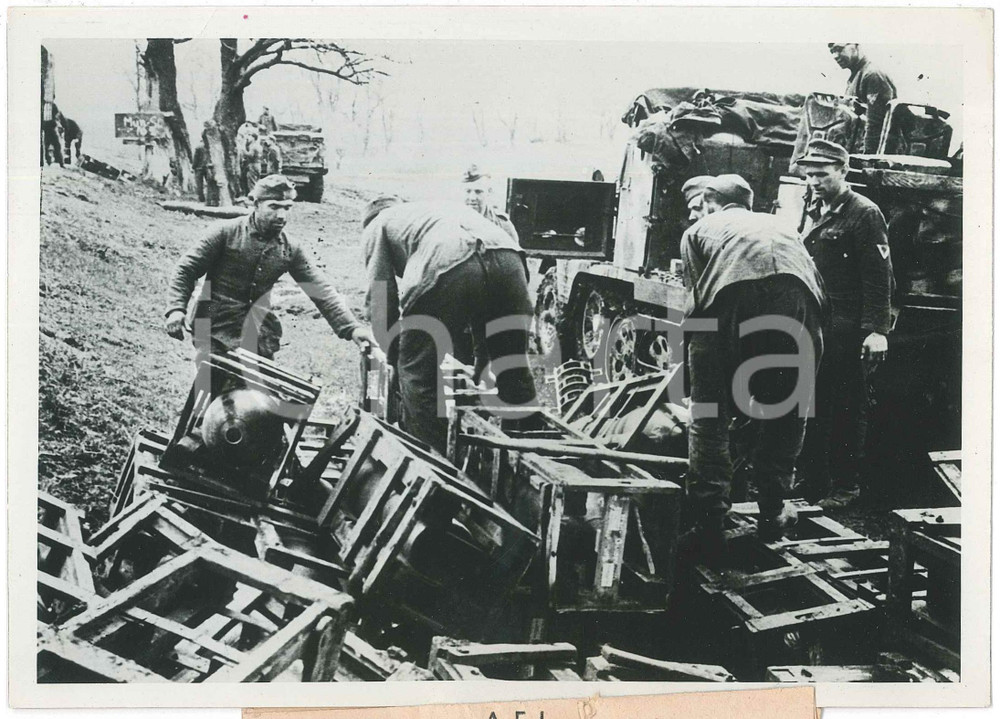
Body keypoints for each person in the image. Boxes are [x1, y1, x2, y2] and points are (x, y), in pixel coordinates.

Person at [679, 174, 827, 564]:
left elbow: (697, 305)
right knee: (788, 411)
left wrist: (701, 379)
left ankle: (709, 520)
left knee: (708, 416)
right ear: (749, 202)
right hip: (798, 304)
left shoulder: (699, 229)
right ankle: (774, 511)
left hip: (731, 300)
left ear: (710, 202)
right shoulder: (783, 224)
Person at [362, 196, 537, 453]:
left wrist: (395, 355)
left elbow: (380, 296)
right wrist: (483, 357)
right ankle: (529, 452)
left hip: (448, 261)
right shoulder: (434, 209)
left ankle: (433, 463)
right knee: (512, 365)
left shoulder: (378, 224)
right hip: (510, 260)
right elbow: (483, 277)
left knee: (419, 374)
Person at [165, 175, 376, 371]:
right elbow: (186, 269)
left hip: (258, 334)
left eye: (287, 208)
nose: (281, 215)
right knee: (210, 390)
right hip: (213, 326)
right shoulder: (225, 232)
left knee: (259, 401)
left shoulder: (290, 248)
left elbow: (320, 289)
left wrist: (352, 328)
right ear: (255, 204)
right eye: (274, 207)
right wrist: (176, 309)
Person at [795, 138, 893, 510]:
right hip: (818, 323)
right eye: (809, 175)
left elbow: (879, 276)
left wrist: (877, 331)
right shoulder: (816, 208)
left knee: (848, 408)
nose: (814, 181)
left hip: (848, 327)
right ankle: (814, 478)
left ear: (842, 171)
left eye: (821, 174)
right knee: (813, 401)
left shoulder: (863, 213)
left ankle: (846, 486)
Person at [828, 43, 897, 154]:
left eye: (839, 49)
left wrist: (867, 159)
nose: (835, 56)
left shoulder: (871, 75)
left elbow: (876, 125)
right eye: (832, 51)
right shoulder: (857, 75)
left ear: (856, 46)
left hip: (871, 154)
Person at [462, 165, 518, 241]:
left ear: (489, 192)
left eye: (478, 192)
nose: (472, 198)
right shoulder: (451, 222)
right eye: (468, 191)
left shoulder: (503, 225)